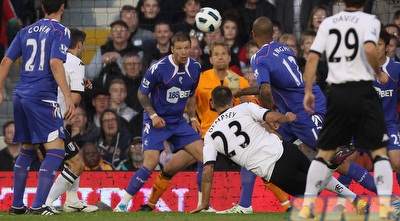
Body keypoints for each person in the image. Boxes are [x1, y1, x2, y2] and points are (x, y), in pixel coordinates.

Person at [190, 86, 367, 215]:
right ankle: (356, 200)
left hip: (274, 170)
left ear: (212, 103)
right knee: (315, 177)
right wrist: (285, 118)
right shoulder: (244, 108)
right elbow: (270, 116)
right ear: (232, 99)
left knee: (315, 188)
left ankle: (330, 166)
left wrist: (204, 202)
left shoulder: (211, 136)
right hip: (287, 149)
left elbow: (208, 169)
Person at [301, 0, 394, 219]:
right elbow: (370, 49)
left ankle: (307, 205)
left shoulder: (329, 23)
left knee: (324, 153)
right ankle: (386, 205)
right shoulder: (369, 20)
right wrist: (378, 73)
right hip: (362, 90)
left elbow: (313, 57)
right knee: (379, 152)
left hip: (337, 93)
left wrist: (308, 90)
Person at [113, 31, 204, 212]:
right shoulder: (159, 68)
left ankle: (203, 204)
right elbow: (141, 93)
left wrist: (193, 118)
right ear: (172, 49)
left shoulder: (195, 67)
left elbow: (191, 95)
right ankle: (122, 204)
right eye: (179, 48)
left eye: (187, 48)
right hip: (157, 120)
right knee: (150, 163)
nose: (184, 52)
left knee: (205, 157)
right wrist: (153, 115)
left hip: (177, 121)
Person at [1, 0, 75, 215]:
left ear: (42, 8)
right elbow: (55, 63)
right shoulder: (61, 31)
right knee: (56, 150)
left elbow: (5, 62)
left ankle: (16, 206)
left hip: (20, 95)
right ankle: (39, 205)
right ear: (63, 6)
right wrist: (68, 95)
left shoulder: (25, 30)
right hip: (42, 97)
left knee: (27, 148)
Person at [43, 28, 98, 213]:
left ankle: (72, 200)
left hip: (41, 114)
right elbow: (74, 100)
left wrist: (80, 81)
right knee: (77, 164)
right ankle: (46, 203)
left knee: (75, 159)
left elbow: (62, 79)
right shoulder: (76, 61)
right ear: (80, 45)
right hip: (53, 120)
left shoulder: (55, 60)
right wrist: (78, 93)